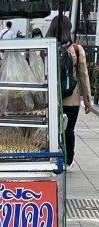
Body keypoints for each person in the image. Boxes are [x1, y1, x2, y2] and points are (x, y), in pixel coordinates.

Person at [46, 16, 91, 171]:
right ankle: (68, 160)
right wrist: (87, 99)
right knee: (68, 130)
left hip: (52, 97)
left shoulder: (47, 47)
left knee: (51, 129)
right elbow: (83, 75)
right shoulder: (77, 50)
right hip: (71, 98)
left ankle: (51, 157)